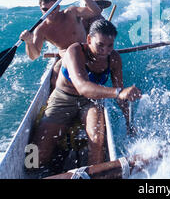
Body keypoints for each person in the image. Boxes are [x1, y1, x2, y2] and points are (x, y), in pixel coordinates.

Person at [31, 19, 142, 167]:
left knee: (97, 139)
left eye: (110, 46)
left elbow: (121, 98)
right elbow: (83, 87)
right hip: (63, 98)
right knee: (36, 158)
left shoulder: (114, 58)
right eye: (100, 45)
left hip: (91, 102)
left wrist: (129, 124)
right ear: (89, 40)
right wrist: (118, 92)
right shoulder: (74, 51)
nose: (105, 51)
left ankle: (93, 173)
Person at [19, 0, 102, 91]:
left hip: (86, 53)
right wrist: (29, 42)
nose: (50, 12)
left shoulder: (71, 13)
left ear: (58, 7)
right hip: (66, 58)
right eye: (45, 9)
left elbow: (96, 11)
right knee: (55, 75)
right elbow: (34, 56)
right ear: (41, 9)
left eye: (53, 8)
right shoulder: (41, 30)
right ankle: (56, 101)